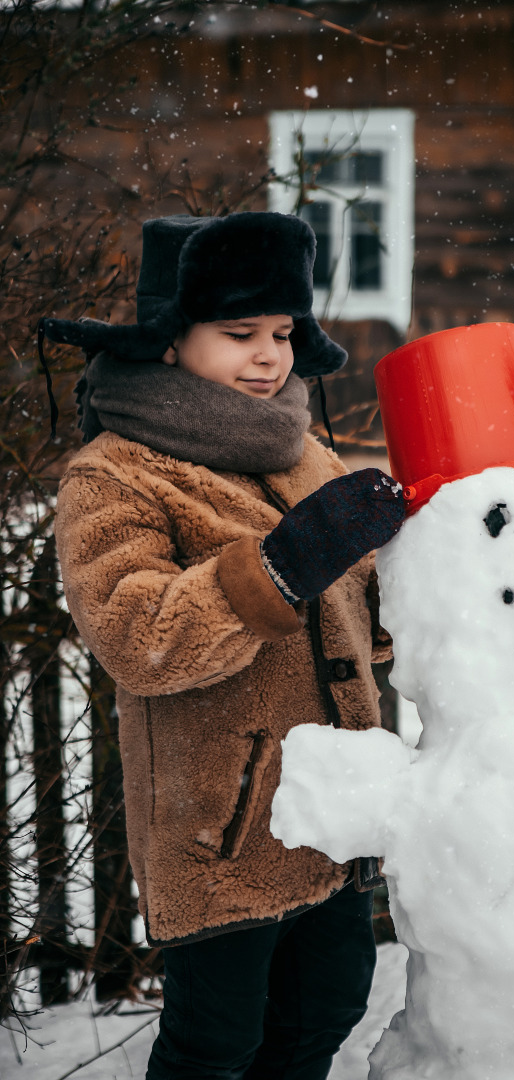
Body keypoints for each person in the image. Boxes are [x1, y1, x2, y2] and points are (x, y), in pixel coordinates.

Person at [41, 211, 405, 1080]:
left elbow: (362, 618)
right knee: (217, 1043)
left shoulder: (303, 453)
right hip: (223, 828)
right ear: (170, 342)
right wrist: (277, 571)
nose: (270, 357)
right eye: (239, 334)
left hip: (329, 811)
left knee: (327, 1009)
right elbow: (141, 638)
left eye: (282, 333)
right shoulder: (115, 474)